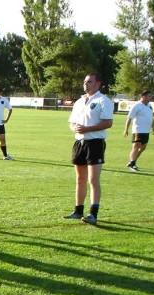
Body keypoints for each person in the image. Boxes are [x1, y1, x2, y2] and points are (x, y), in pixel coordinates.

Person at [63, 73, 113, 225]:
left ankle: (93, 214)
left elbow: (108, 122)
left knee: (93, 179)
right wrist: (76, 128)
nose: (86, 84)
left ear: (97, 84)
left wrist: (87, 129)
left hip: (95, 143)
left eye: (89, 81)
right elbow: (72, 122)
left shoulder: (103, 101)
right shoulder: (79, 101)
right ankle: (78, 211)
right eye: (85, 81)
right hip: (80, 143)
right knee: (80, 179)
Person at [123, 90, 154, 172]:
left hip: (146, 131)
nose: (151, 98)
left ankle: (131, 162)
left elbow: (151, 117)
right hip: (138, 130)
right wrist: (126, 129)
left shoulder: (149, 106)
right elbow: (129, 118)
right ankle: (133, 164)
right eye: (149, 96)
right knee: (136, 147)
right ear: (143, 96)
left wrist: (153, 127)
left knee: (143, 147)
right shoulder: (137, 106)